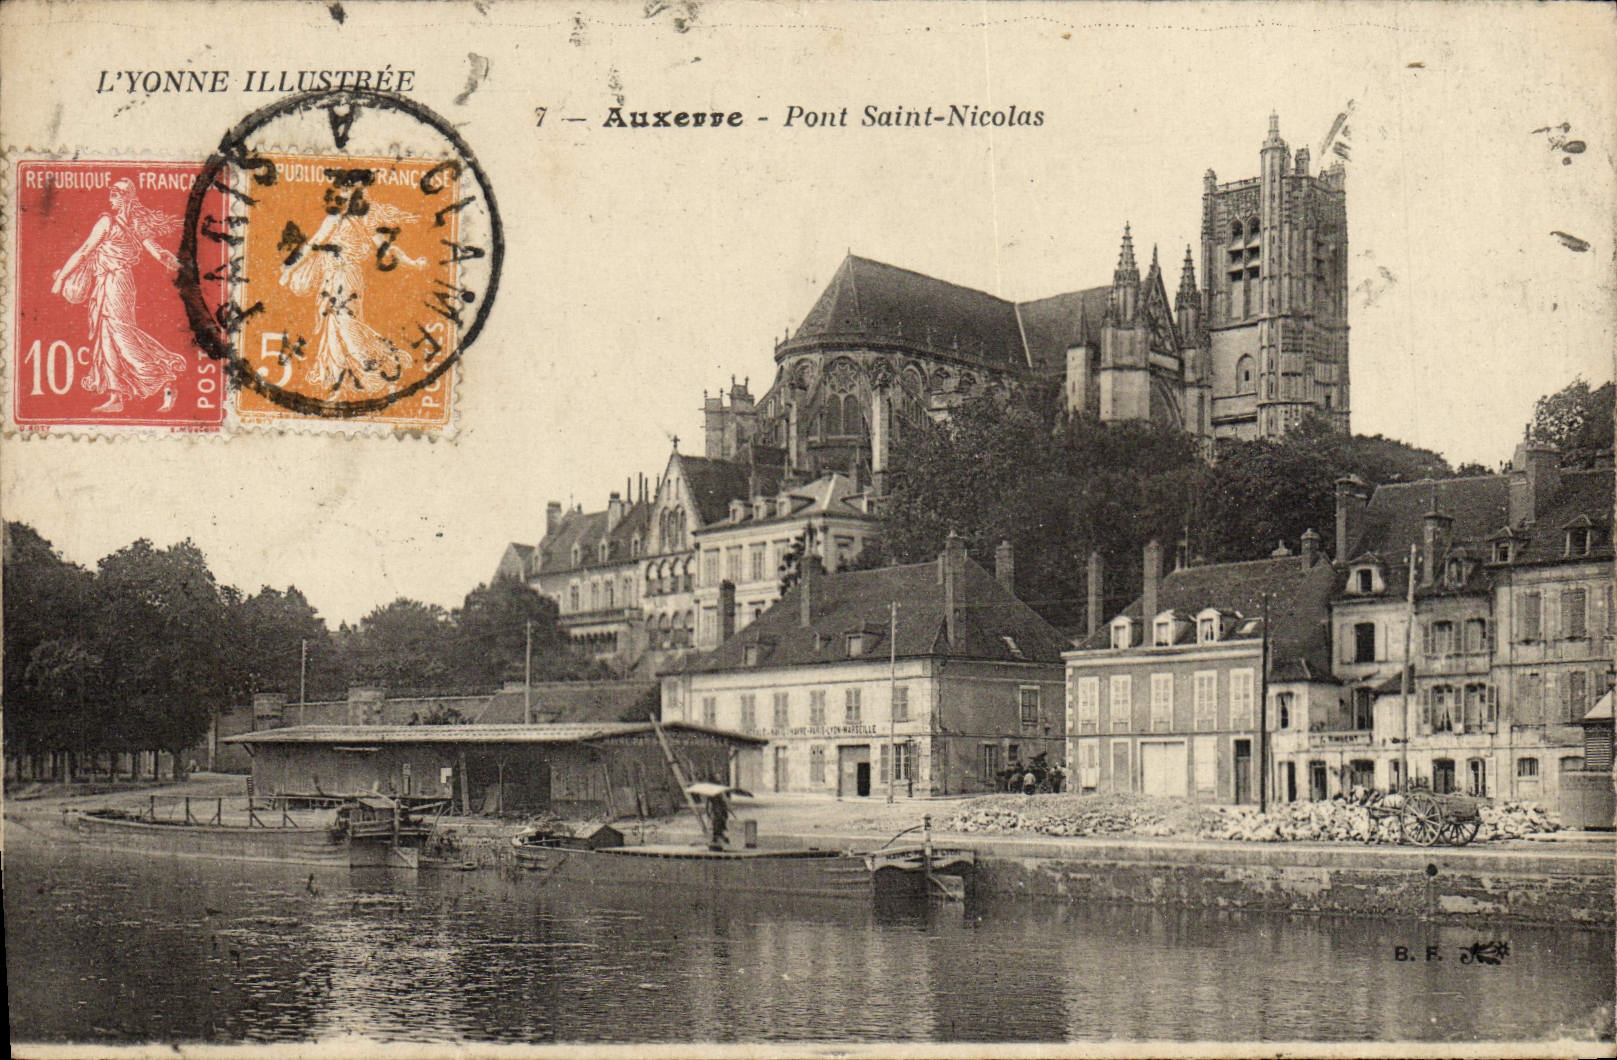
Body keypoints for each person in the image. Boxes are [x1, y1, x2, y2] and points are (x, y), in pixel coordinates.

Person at [51, 179, 187, 413]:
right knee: (107, 339)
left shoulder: (109, 222)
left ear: (124, 197)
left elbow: (84, 251)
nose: (110, 199)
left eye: (114, 194)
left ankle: (165, 379)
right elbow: (159, 254)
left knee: (122, 337)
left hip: (115, 283)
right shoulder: (133, 224)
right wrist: (180, 266)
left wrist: (61, 279)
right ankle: (116, 397)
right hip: (111, 283)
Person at [279, 180, 425, 397]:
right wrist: (289, 269)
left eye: (360, 195)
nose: (358, 200)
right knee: (335, 326)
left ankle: (368, 363)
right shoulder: (335, 220)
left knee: (344, 321)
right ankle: (345, 379)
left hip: (347, 277)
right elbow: (312, 244)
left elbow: (387, 248)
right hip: (333, 278)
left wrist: (412, 262)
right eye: (353, 195)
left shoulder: (363, 223)